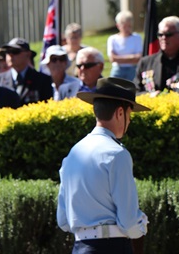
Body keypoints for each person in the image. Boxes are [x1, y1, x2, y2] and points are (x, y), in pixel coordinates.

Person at [57, 77, 149, 254]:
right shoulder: (117, 154)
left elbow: (63, 220)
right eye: (130, 115)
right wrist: (142, 227)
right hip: (111, 247)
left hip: (80, 248)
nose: (129, 121)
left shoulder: (72, 154)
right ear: (120, 113)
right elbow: (129, 222)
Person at [134, 16, 179, 95]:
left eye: (168, 34)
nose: (163, 38)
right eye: (160, 35)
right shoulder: (146, 63)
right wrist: (149, 96)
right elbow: (136, 91)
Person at [0, 37, 53, 105]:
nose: (10, 55)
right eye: (8, 52)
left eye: (15, 51)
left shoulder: (43, 80)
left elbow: (46, 108)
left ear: (28, 54)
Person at [107, 11, 143, 81]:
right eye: (124, 26)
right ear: (118, 26)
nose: (127, 29)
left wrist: (119, 58)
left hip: (133, 69)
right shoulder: (112, 39)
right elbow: (112, 58)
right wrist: (132, 57)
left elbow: (139, 57)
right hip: (118, 69)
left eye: (129, 26)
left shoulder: (137, 38)